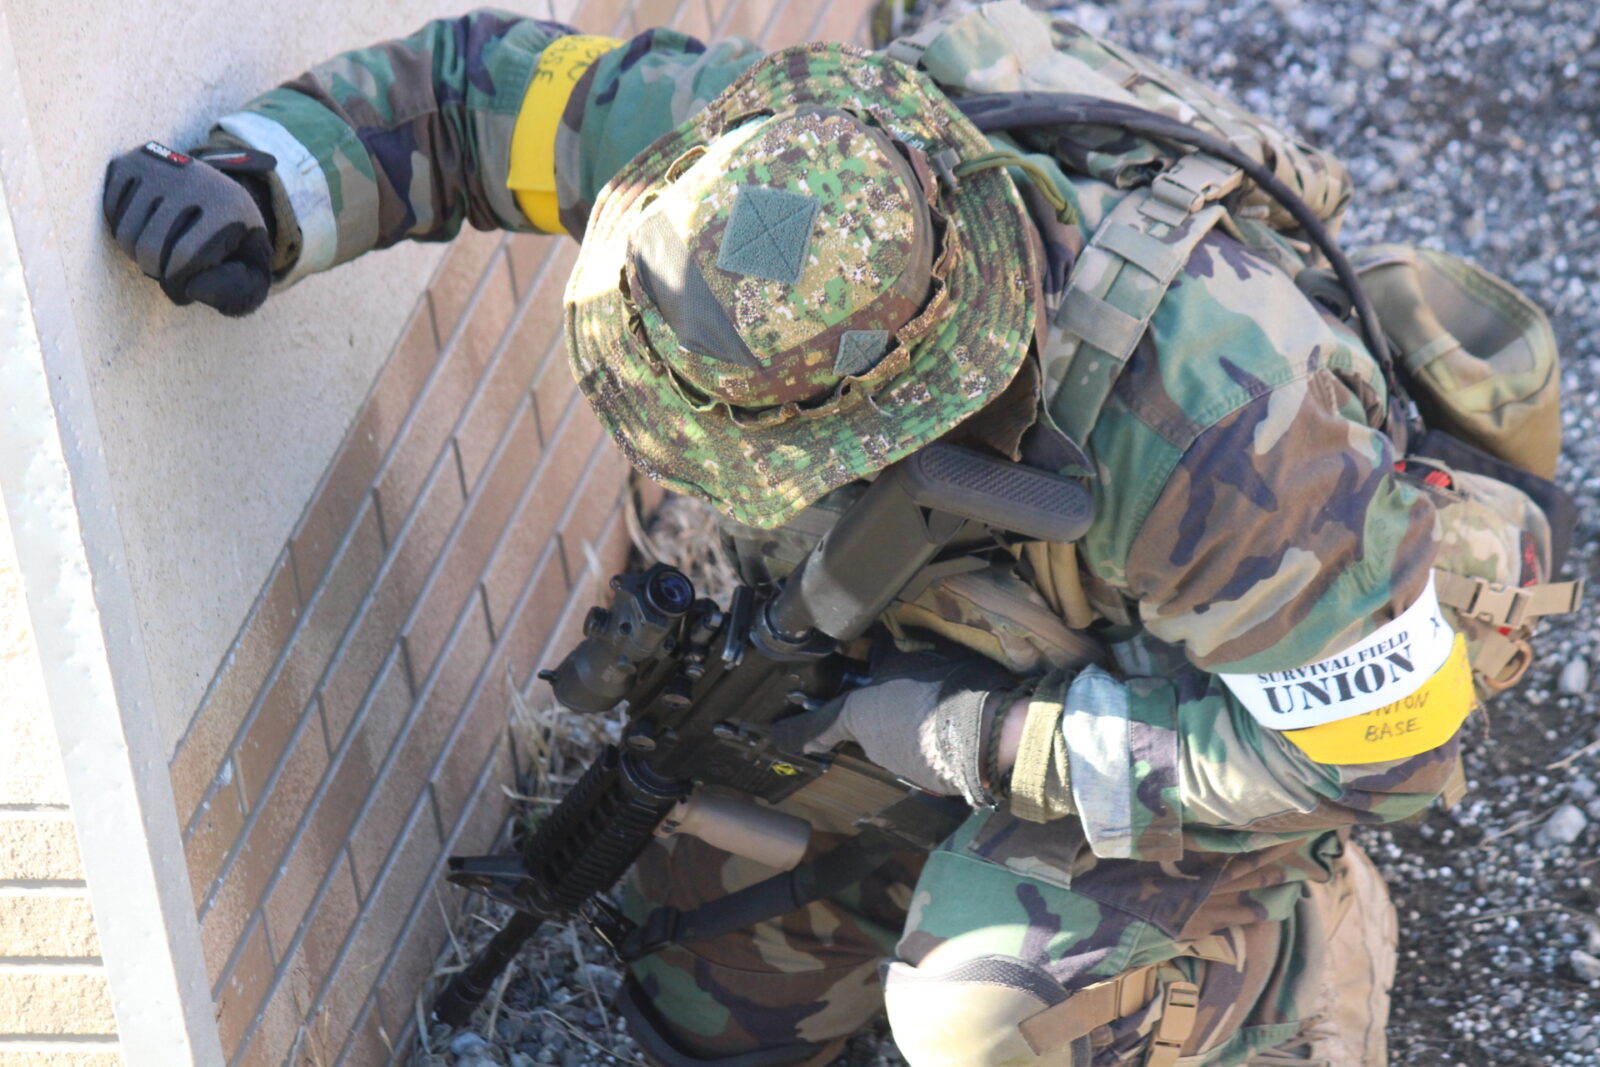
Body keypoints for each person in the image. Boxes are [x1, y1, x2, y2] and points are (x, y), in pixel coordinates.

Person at [101, 4, 1580, 1064]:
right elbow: (477, 96)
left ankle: (1294, 968)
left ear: (904, 394)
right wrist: (262, 180)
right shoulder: (765, 189)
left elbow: (1380, 754)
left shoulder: (1218, 432)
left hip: (1229, 691)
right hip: (992, 624)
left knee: (978, 1018)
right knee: (704, 994)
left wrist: (968, 743)